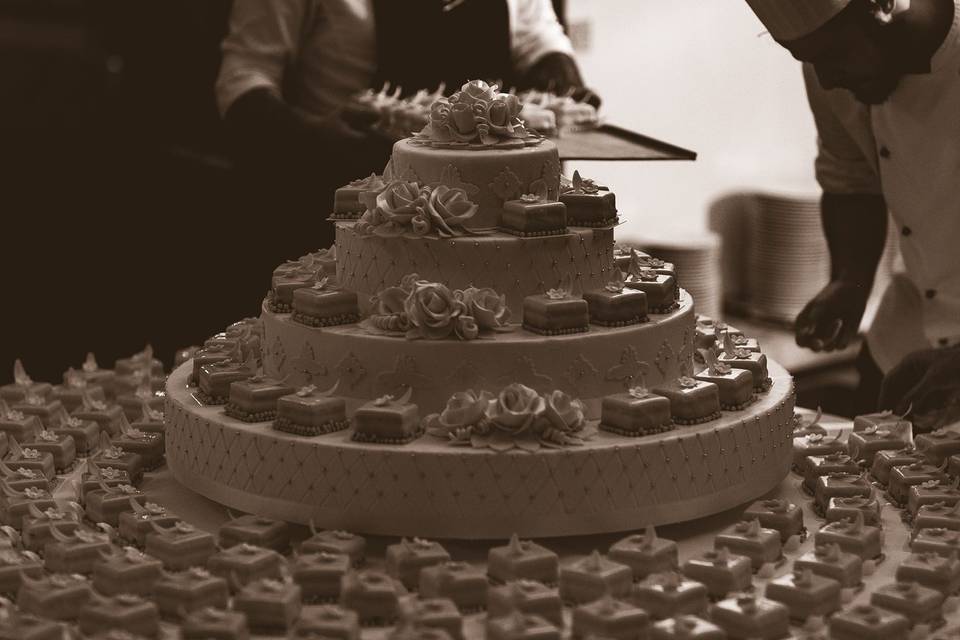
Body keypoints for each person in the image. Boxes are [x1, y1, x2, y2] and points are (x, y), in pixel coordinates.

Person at [216, 0, 595, 249]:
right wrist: (311, 137)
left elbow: (539, 38)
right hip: (352, 214)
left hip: (493, 222)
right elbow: (244, 78)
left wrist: (564, 81)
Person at [744, 0, 960, 428]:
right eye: (807, 60)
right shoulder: (834, 71)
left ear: (881, 6)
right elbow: (851, 177)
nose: (826, 78)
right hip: (905, 336)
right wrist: (850, 278)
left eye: (831, 55)